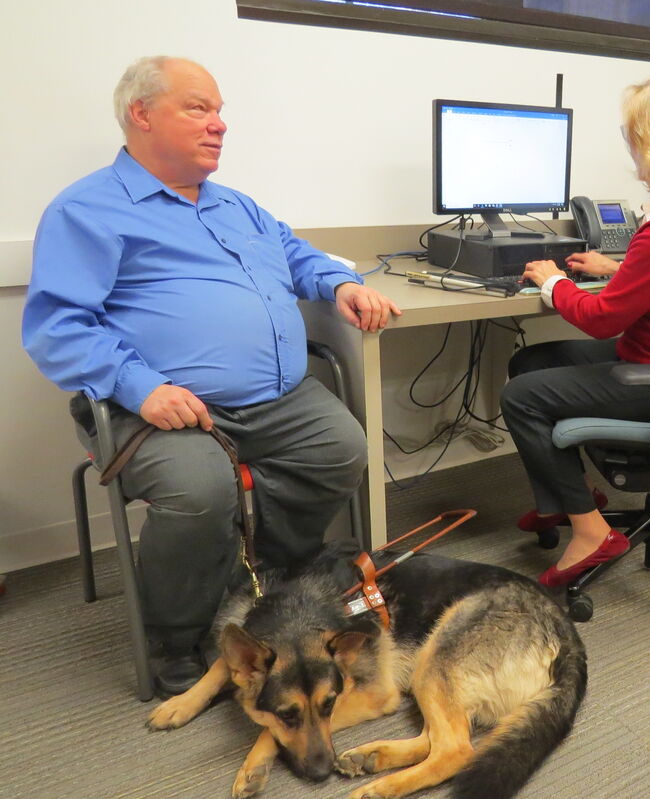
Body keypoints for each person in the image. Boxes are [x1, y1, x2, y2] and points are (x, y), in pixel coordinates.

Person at [22, 56, 401, 696]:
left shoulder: (237, 206)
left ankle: (263, 576)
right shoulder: (87, 209)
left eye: (220, 111)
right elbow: (58, 327)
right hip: (158, 407)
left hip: (275, 399)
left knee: (340, 448)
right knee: (202, 490)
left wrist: (338, 281)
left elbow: (296, 253)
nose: (219, 125)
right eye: (197, 108)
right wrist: (141, 387)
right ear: (140, 114)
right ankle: (177, 633)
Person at [501, 74, 650, 588]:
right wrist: (619, 270)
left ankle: (591, 533)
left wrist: (554, 281)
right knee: (530, 362)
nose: (629, 147)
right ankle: (575, 496)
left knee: (521, 397)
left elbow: (603, 318)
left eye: (633, 135)